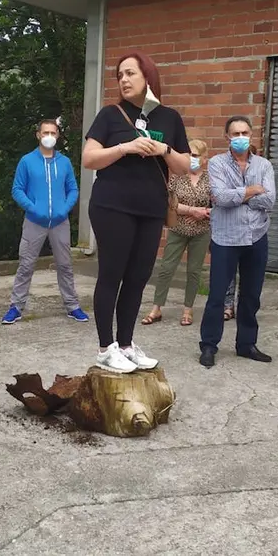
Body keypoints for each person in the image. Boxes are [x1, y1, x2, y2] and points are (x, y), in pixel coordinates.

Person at [82, 51, 190, 372]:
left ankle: (126, 345)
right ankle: (105, 348)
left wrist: (164, 149)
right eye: (120, 75)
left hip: (151, 210)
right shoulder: (110, 115)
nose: (124, 80)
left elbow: (186, 165)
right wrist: (124, 147)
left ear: (148, 77)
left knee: (138, 277)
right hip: (112, 206)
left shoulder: (169, 118)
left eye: (130, 73)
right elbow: (89, 158)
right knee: (112, 275)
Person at [199, 115, 276, 368]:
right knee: (217, 296)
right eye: (235, 134)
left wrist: (240, 196)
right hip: (226, 238)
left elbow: (270, 201)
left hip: (256, 237)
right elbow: (220, 198)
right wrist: (252, 191)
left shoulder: (264, 165)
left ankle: (246, 344)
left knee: (251, 295)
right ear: (227, 137)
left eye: (245, 133)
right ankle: (209, 345)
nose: (240, 138)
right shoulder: (217, 164)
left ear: (251, 135)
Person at [1, 119, 89, 325]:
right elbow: (17, 189)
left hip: (60, 221)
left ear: (58, 136)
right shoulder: (27, 161)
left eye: (53, 133)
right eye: (45, 132)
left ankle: (72, 305)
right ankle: (16, 306)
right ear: (38, 135)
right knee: (26, 264)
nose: (49, 136)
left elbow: (73, 189)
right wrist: (34, 208)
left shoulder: (64, 162)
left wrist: (64, 209)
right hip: (34, 221)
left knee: (65, 265)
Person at [142, 139, 210, 327]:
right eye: (189, 155)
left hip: (201, 230)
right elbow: (169, 203)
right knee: (166, 268)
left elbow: (217, 204)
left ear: (204, 159)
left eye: (195, 156)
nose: (191, 159)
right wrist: (190, 210)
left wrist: (203, 213)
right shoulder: (177, 177)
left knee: (194, 271)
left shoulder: (211, 180)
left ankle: (188, 310)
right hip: (178, 229)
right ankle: (156, 308)